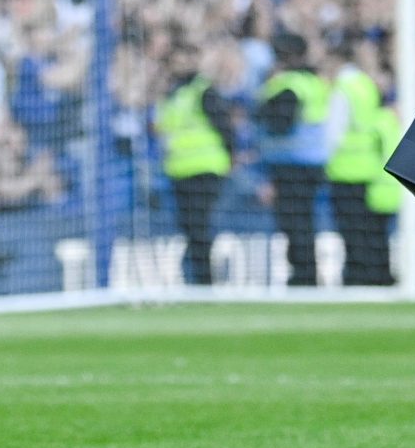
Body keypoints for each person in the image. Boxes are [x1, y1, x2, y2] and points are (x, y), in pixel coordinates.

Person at [254, 31, 343, 287]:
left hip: (291, 163)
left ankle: (303, 275)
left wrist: (262, 110)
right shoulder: (315, 82)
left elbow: (280, 123)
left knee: (294, 222)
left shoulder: (287, 84)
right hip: (314, 162)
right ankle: (307, 272)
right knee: (304, 220)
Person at [153, 51, 234, 287]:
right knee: (190, 225)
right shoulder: (169, 96)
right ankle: (199, 278)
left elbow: (224, 125)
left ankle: (205, 280)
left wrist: (230, 155)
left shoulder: (203, 91)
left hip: (206, 167)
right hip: (179, 170)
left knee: (199, 224)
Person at [324, 44, 395, 286]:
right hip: (369, 170)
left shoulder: (343, 88)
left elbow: (333, 132)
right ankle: (378, 276)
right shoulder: (367, 86)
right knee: (370, 231)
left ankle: (357, 278)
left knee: (351, 232)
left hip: (345, 171)